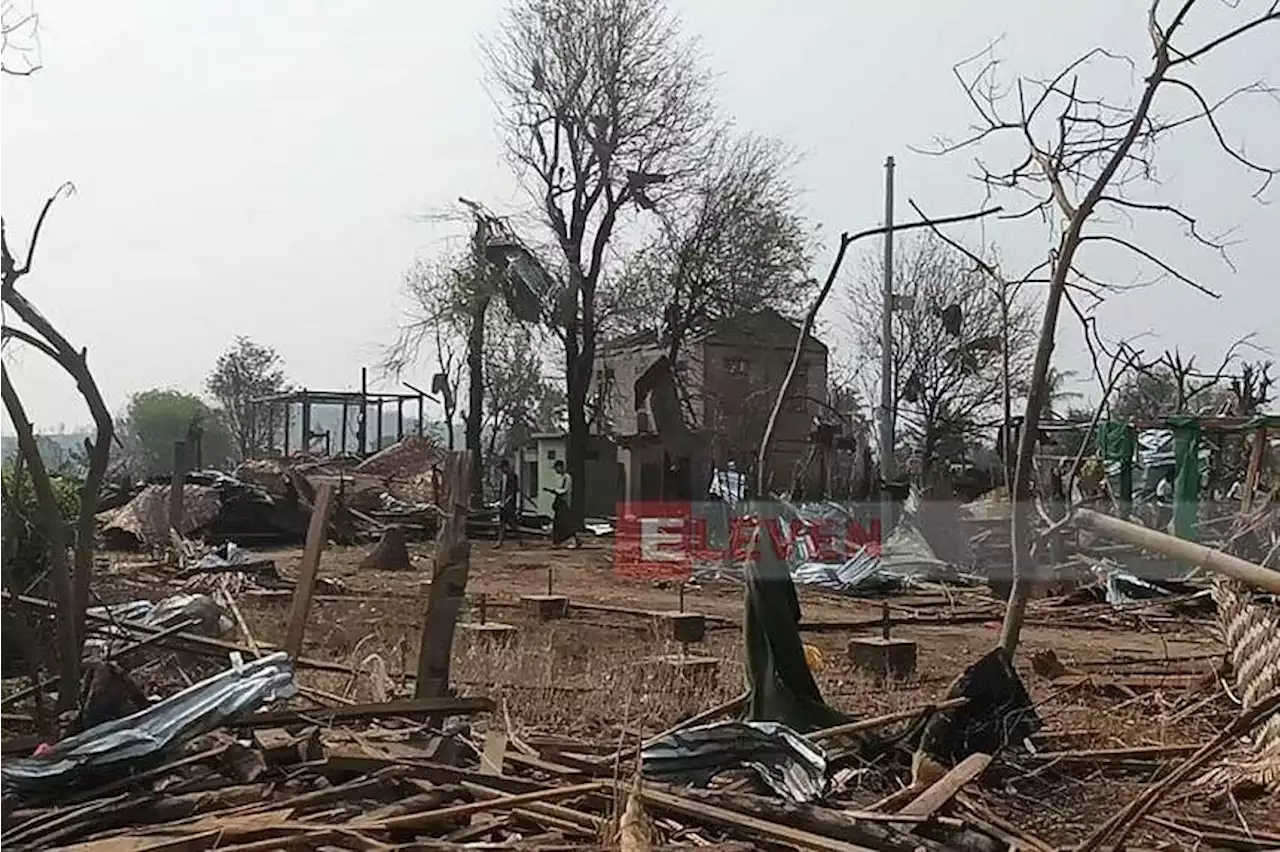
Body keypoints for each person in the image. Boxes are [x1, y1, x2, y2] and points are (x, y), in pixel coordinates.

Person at [544, 459, 580, 549]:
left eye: (557, 469)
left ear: (561, 467)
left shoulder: (567, 478)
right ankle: (558, 541)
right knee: (559, 523)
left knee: (563, 523)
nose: (556, 471)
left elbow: (564, 490)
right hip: (559, 503)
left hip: (564, 503)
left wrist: (554, 490)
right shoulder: (561, 478)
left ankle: (571, 539)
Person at [496, 459, 521, 548]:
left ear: (506, 467)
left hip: (510, 504)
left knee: (512, 523)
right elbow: (501, 490)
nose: (502, 470)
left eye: (502, 468)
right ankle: (499, 542)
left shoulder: (513, 476)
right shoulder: (503, 478)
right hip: (503, 503)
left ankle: (519, 540)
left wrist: (507, 501)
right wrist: (500, 501)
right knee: (502, 523)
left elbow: (513, 491)